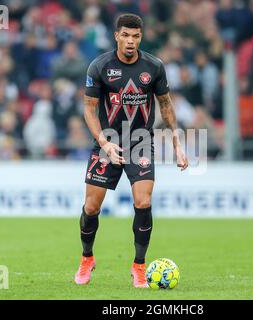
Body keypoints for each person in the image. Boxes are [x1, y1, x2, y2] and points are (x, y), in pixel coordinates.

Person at [75, 13, 188, 288]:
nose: (130, 41)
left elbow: (165, 105)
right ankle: (87, 258)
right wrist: (103, 142)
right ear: (116, 36)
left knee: (143, 202)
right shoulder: (99, 66)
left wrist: (177, 142)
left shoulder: (154, 66)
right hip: (108, 141)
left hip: (140, 141)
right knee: (91, 206)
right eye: (125, 35)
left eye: (135, 36)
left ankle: (139, 266)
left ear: (141, 37)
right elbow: (89, 109)